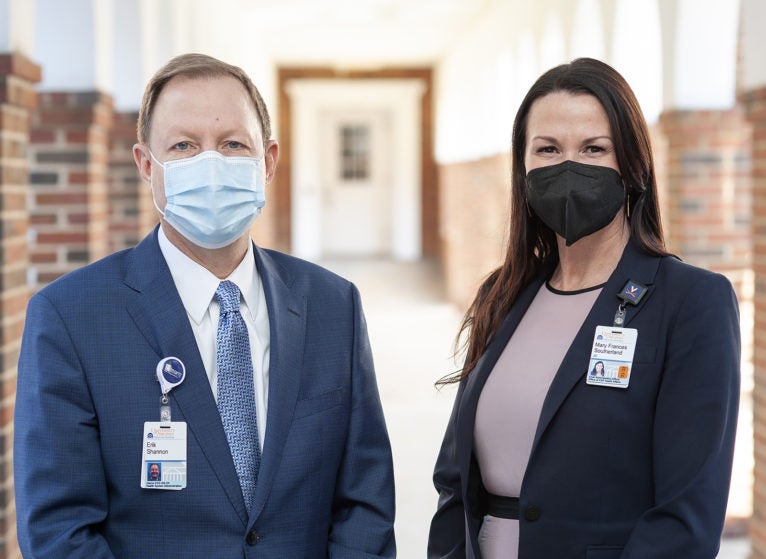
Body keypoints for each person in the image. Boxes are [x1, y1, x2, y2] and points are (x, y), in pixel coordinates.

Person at [15, 53, 396, 558]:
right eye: (184, 146)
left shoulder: (332, 306)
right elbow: (59, 529)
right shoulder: (70, 318)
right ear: (147, 166)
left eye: (233, 144)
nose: (210, 163)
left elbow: (364, 502)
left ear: (269, 161)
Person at [428, 58, 740, 559]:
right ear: (524, 170)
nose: (569, 166)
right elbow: (455, 483)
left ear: (632, 166)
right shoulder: (502, 295)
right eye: (547, 149)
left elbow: (686, 518)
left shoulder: (690, 303)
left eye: (594, 148)